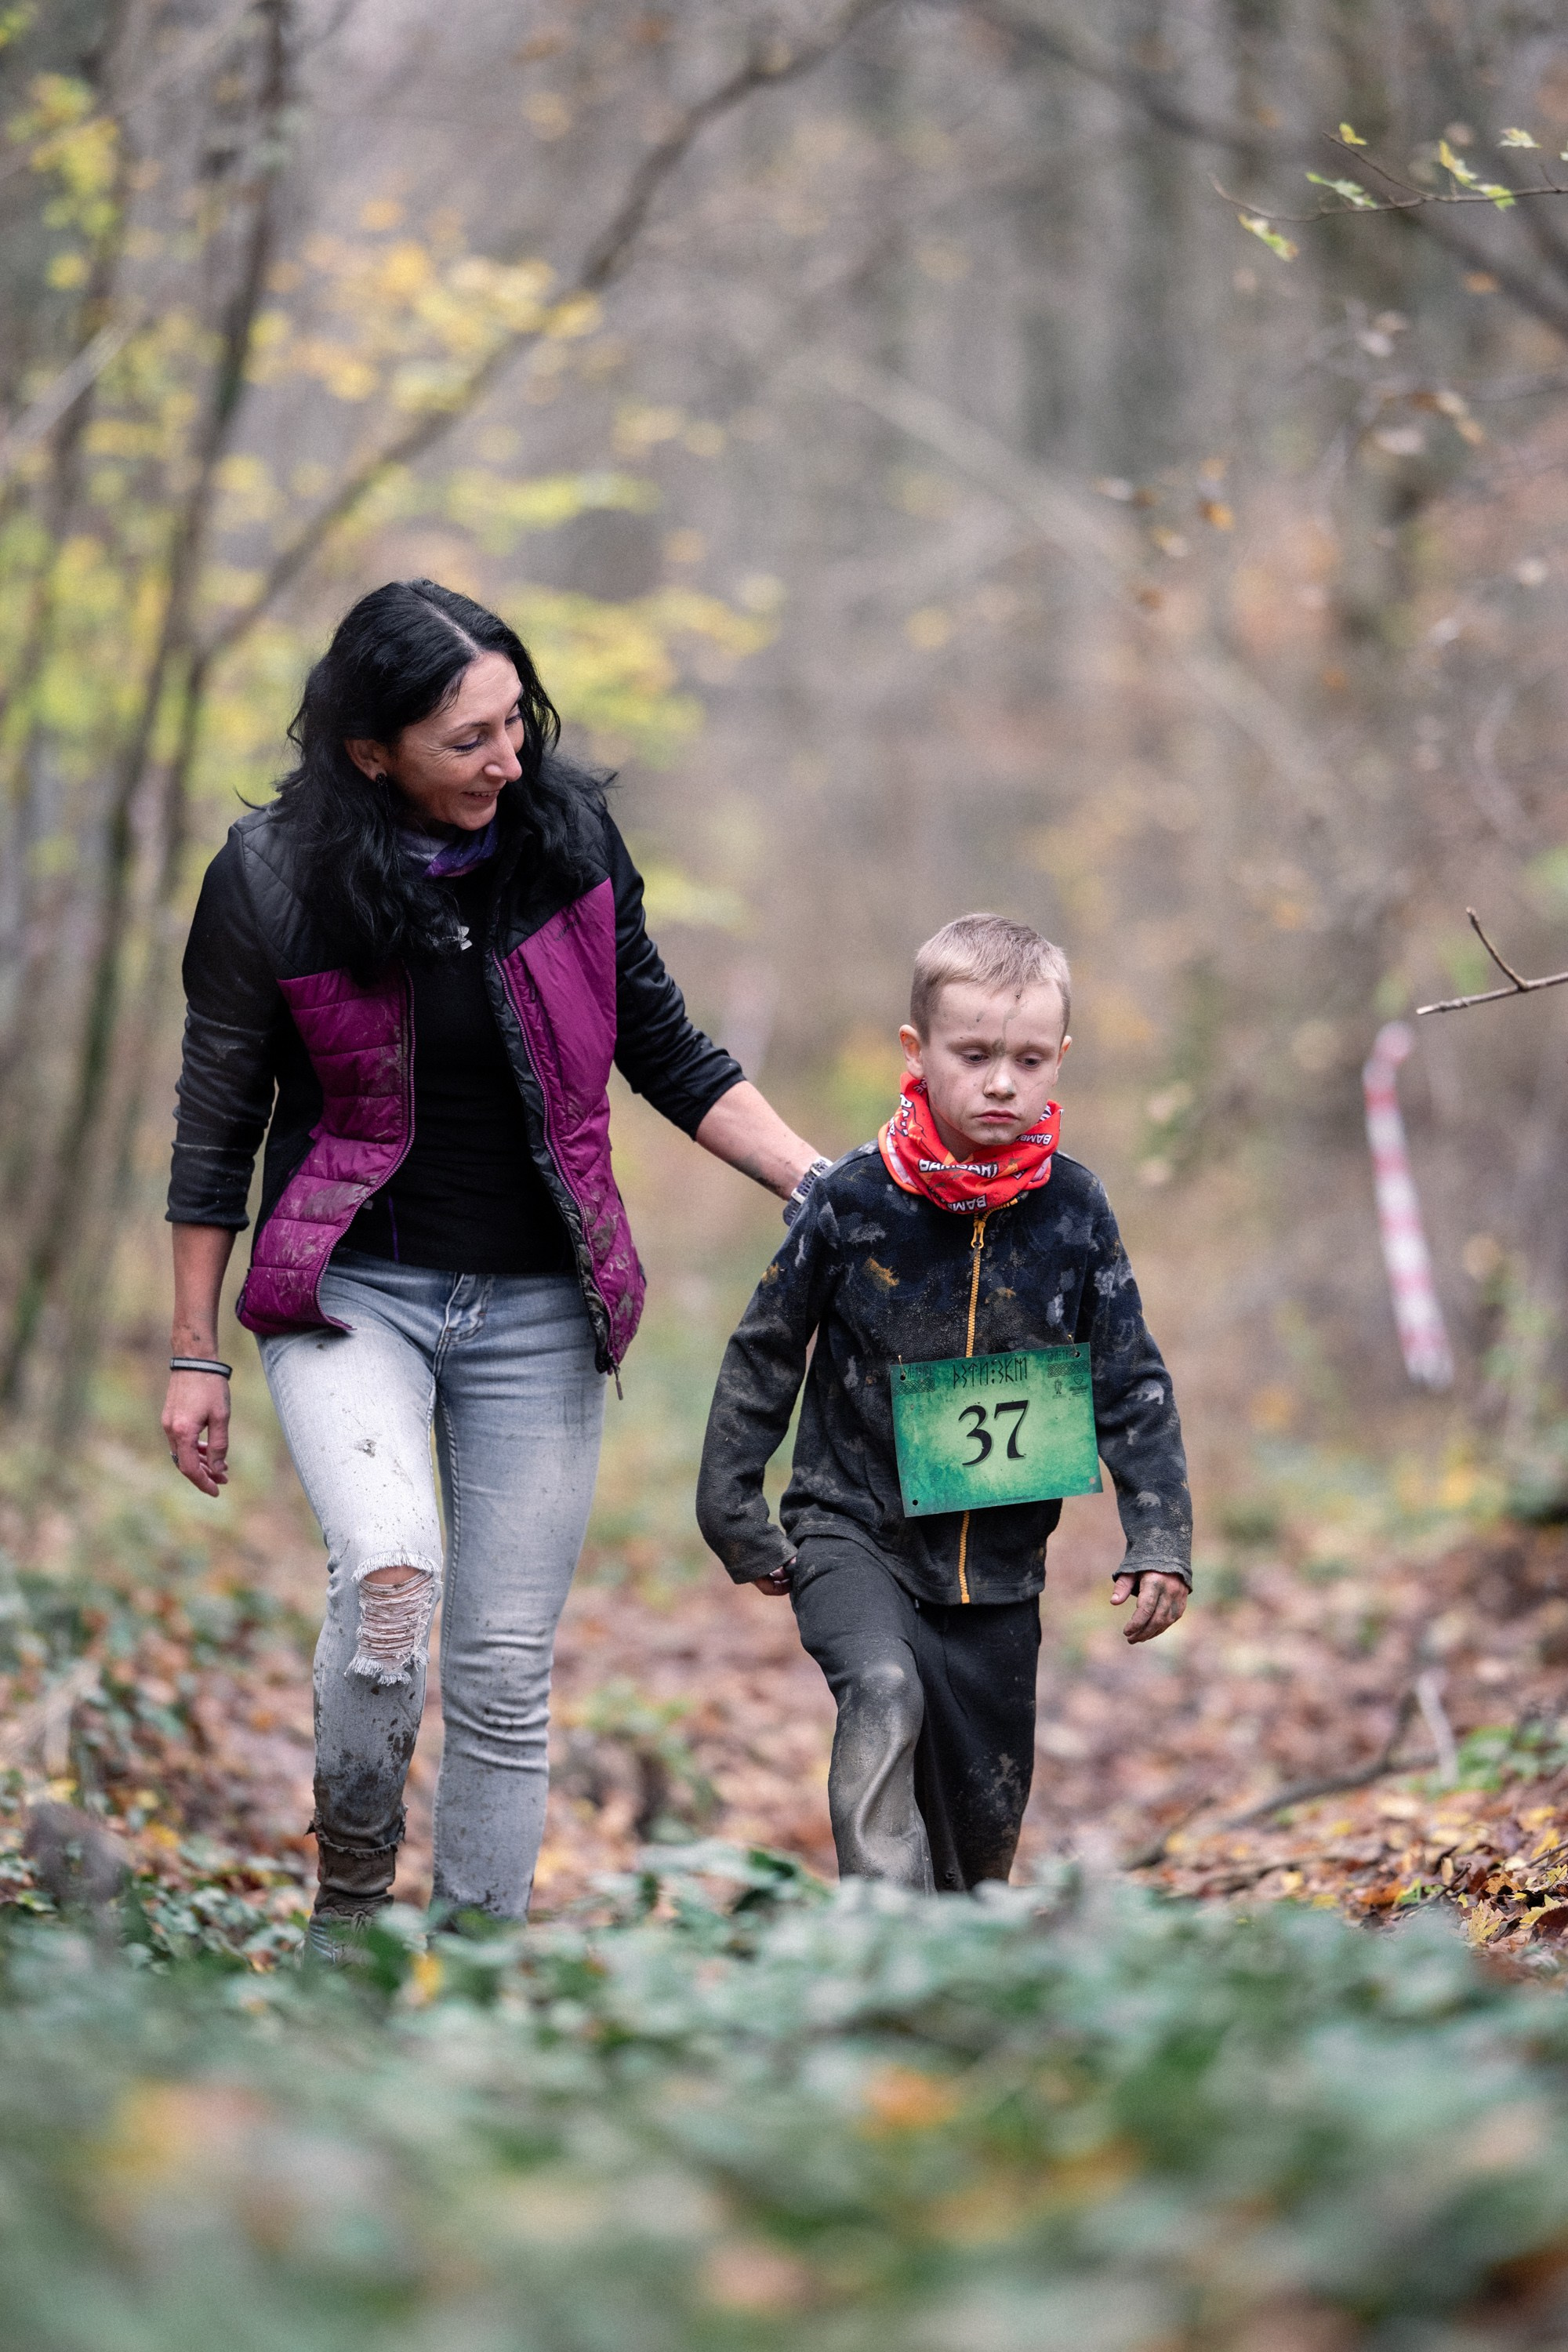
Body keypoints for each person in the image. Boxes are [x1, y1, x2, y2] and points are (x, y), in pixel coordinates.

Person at [162, 579, 824, 1947]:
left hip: (540, 1305)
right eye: (469, 738)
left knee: (506, 1670)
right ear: (369, 750)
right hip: (352, 1297)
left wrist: (821, 1183)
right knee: (392, 1572)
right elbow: (216, 1127)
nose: (508, 758)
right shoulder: (270, 881)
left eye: (516, 720)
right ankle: (348, 1918)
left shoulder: (565, 839)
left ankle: (471, 1972)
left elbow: (667, 1048)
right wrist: (191, 1349)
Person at [696, 913, 1190, 1893]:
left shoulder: (1075, 1212)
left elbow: (1128, 1377)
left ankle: (947, 1967)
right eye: (973, 1056)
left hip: (1000, 1573)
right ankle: (880, 1924)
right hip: (853, 1529)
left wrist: (1158, 1534)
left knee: (978, 1835)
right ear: (916, 1055)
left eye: (1028, 1059)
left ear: (1060, 1061)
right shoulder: (850, 1201)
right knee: (880, 1689)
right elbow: (766, 1347)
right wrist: (732, 1505)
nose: (1001, 1081)